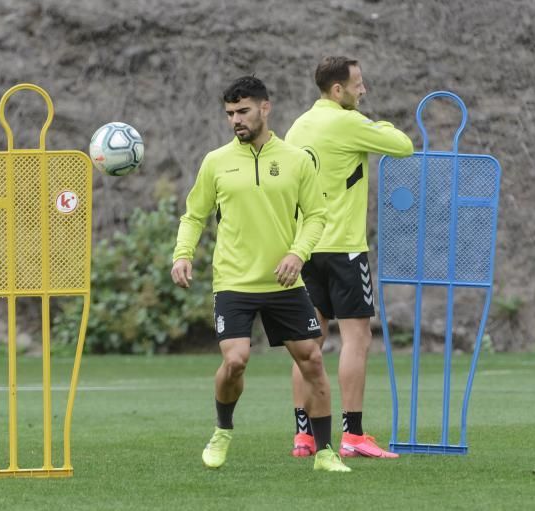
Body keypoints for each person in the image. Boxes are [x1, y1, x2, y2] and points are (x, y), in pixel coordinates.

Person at [172, 76, 350, 472]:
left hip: (285, 281)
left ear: (265, 108)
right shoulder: (216, 161)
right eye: (230, 113)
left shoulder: (297, 160)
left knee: (313, 361)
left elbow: (317, 216)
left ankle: (324, 452)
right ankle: (222, 431)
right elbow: (194, 214)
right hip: (234, 281)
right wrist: (182, 254)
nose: (236, 119)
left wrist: (298, 254)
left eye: (243, 111)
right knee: (235, 361)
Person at [284, 57, 414, 458]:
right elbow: (403, 146)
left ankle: (304, 435)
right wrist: (382, 126)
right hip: (343, 247)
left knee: (311, 342)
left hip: (305, 247)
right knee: (357, 338)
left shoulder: (298, 125)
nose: (364, 90)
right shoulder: (348, 122)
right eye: (358, 84)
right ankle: (352, 435)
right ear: (337, 90)